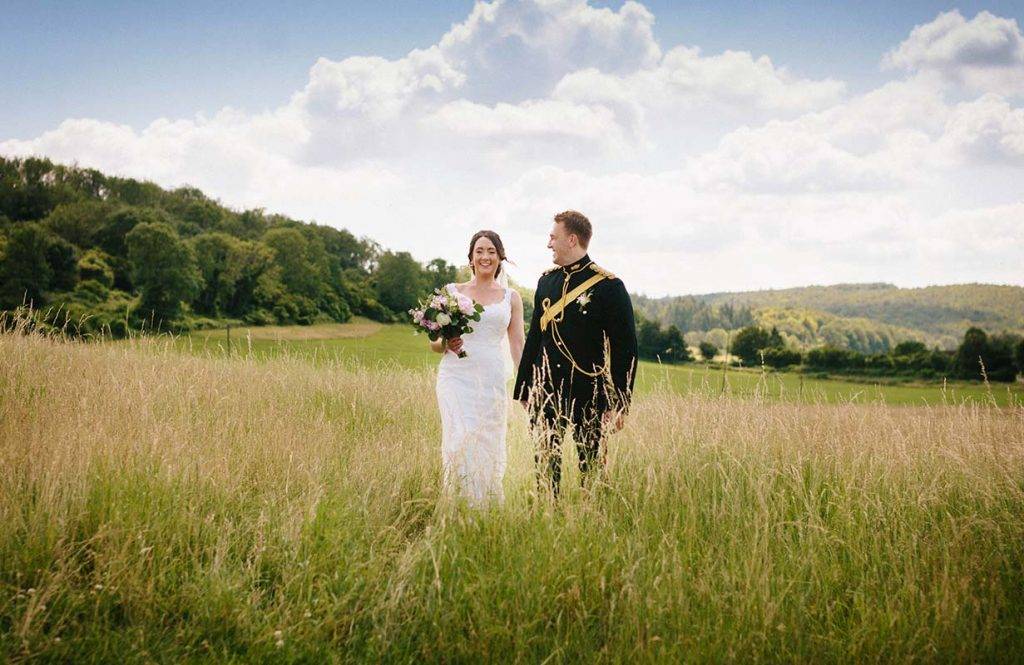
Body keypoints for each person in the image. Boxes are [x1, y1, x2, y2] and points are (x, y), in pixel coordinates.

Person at [514, 210, 638, 498]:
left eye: (552, 237)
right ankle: (547, 515)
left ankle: (590, 518)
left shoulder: (609, 286)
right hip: (546, 389)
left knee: (591, 466)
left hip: (589, 391)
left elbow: (625, 349)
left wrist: (621, 402)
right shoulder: (546, 282)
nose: (548, 244)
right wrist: (523, 386)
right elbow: (535, 337)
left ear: (571, 239)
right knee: (545, 465)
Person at [432, 230, 525, 505]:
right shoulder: (452, 292)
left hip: (491, 379)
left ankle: (483, 507)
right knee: (459, 437)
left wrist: (526, 386)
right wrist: (447, 342)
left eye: (491, 252)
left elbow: (518, 345)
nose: (485, 256)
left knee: (485, 440)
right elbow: (434, 344)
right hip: (455, 377)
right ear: (471, 258)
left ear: (499, 258)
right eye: (479, 251)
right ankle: (457, 501)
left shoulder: (512, 298)